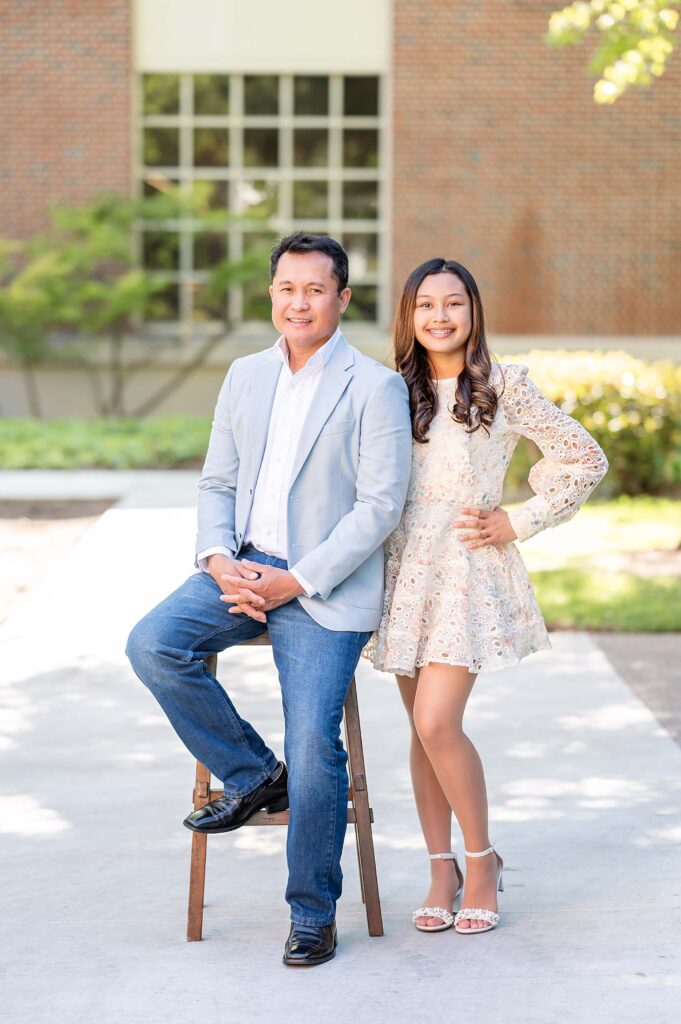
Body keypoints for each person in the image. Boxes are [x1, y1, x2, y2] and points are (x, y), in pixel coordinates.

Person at [126, 232, 412, 966]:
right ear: (272, 293)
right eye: (287, 288)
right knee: (154, 644)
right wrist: (219, 561)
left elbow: (378, 508)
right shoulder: (245, 375)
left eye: (315, 289)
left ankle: (312, 913)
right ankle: (255, 776)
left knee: (316, 747)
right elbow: (217, 482)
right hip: (241, 569)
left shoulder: (373, 386)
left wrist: (297, 579)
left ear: (342, 299)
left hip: (323, 586)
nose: (299, 302)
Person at [365, 257, 608, 935]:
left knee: (438, 723)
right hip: (403, 573)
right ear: (408, 318)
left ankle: (480, 862)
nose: (439, 317)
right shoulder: (389, 391)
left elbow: (583, 457)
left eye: (453, 304)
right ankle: (438, 867)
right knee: (421, 731)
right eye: (425, 306)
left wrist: (518, 519)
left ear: (472, 314)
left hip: (466, 572)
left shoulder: (504, 387)